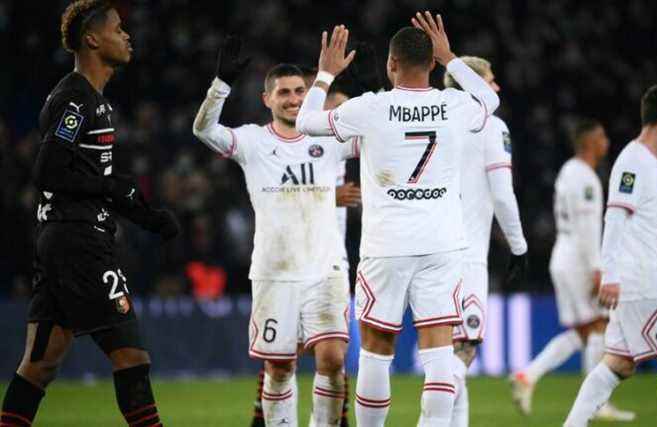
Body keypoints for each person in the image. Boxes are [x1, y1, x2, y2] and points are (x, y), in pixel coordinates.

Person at [296, 12, 500, 426]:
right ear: (431, 64)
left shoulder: (371, 108)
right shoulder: (454, 104)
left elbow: (304, 122)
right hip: (443, 244)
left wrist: (324, 75)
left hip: (386, 246)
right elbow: (491, 100)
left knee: (376, 349)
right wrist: (451, 57)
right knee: (440, 350)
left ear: (391, 64)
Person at [0, 2, 179, 426]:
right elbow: (48, 169)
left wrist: (147, 216)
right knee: (132, 356)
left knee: (39, 366)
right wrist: (110, 186)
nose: (127, 35)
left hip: (61, 240)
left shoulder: (92, 100)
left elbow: (85, 178)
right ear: (93, 39)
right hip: (78, 244)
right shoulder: (75, 98)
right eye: (118, 29)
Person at [193, 37, 359, 426]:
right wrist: (220, 86)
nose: (293, 99)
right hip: (274, 272)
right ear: (267, 99)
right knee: (280, 368)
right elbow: (203, 129)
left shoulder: (328, 138)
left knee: (333, 361)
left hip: (326, 269)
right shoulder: (251, 141)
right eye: (283, 92)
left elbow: (377, 134)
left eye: (300, 91)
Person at [563, 84, 657, 427]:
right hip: (648, 279)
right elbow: (615, 216)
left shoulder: (650, 163)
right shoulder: (634, 161)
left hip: (640, 280)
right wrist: (609, 274)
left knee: (618, 363)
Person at [510, 119, 635, 421]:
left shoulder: (568, 170)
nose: (607, 141)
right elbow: (587, 226)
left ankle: (528, 376)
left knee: (582, 332)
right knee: (598, 326)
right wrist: (597, 268)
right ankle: (596, 403)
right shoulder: (586, 179)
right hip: (579, 258)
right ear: (590, 142)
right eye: (603, 135)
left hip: (563, 254)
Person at [441, 56, 528, 427]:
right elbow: (503, 194)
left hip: (424, 253)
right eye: (490, 80)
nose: (497, 87)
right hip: (465, 257)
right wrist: (519, 246)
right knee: (464, 350)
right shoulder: (490, 126)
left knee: (443, 353)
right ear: (472, 84)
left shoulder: (432, 122)